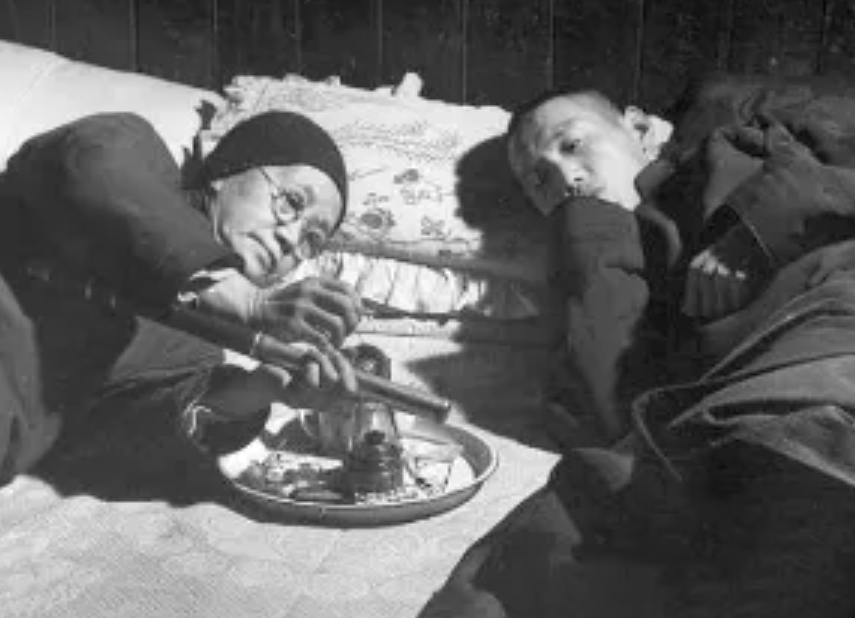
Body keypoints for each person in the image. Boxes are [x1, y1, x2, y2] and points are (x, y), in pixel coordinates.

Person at [420, 77, 855, 617]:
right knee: (529, 557)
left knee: (799, 462)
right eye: (539, 180)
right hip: (724, 410)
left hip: (832, 326)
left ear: (641, 127)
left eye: (572, 144)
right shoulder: (614, 251)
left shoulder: (735, 145)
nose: (567, 178)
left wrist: (754, 231)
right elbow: (611, 412)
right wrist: (588, 230)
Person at [0, 109, 364, 482]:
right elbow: (93, 162)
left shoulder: (198, 350)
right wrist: (245, 299)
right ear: (226, 173)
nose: (290, 237)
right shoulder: (134, 148)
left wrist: (265, 387)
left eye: (311, 239)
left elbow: (120, 439)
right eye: (291, 201)